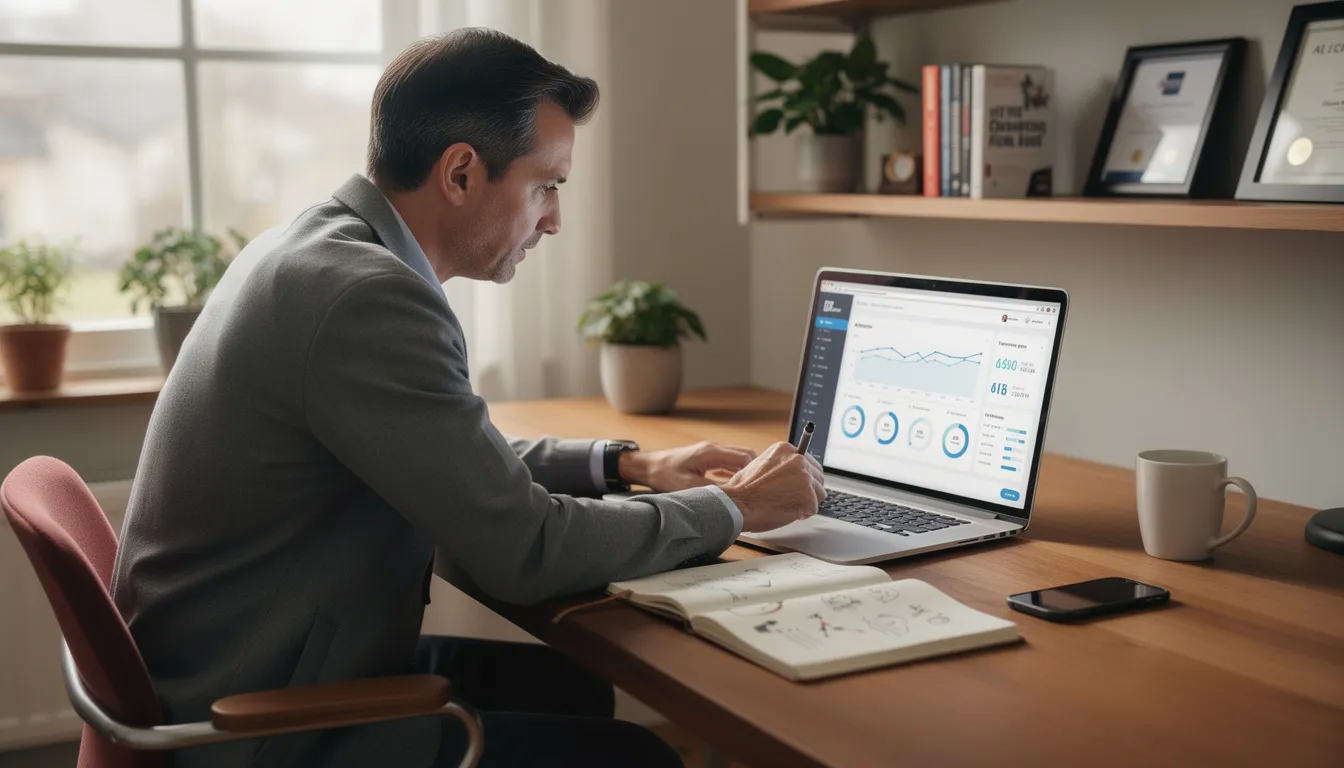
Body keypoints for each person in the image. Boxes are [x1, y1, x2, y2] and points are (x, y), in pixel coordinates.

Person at [110, 27, 824, 768]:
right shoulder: (368, 297)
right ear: (459, 173)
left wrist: (626, 467)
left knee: (568, 684)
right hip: (253, 721)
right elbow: (527, 551)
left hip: (232, 660)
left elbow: (440, 451)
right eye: (546, 184)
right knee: (638, 758)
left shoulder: (312, 247)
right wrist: (736, 509)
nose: (554, 218)